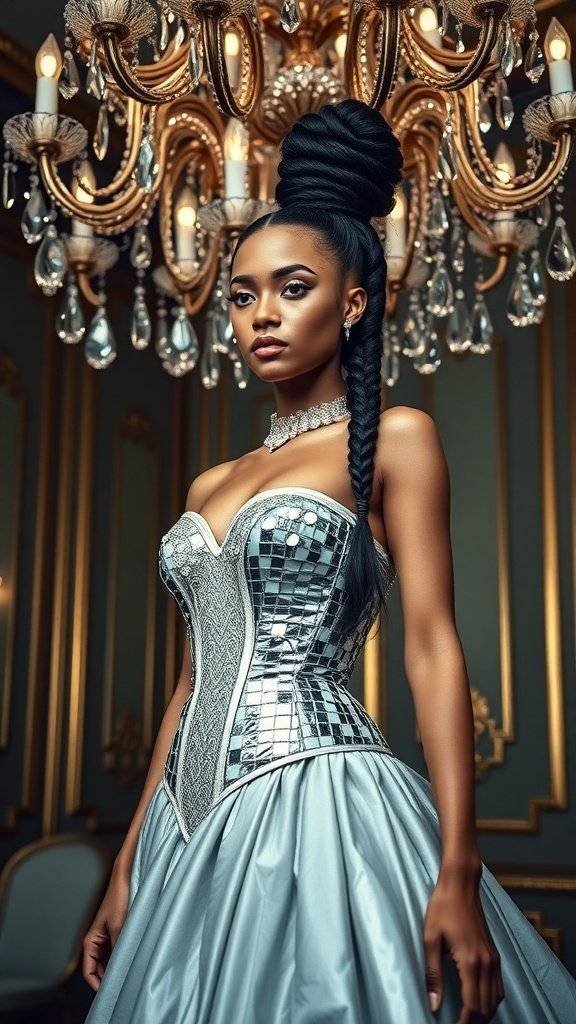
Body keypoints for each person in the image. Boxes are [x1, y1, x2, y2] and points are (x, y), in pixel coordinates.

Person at [81, 99, 576, 1024]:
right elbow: (194, 684)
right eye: (241, 294)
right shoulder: (207, 484)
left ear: (352, 301)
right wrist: (128, 856)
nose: (261, 315)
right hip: (184, 835)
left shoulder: (395, 439)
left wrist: (457, 869)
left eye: (293, 287)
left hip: (320, 798)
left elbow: (431, 648)